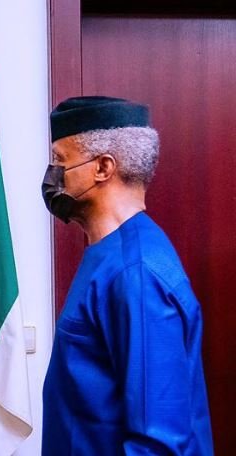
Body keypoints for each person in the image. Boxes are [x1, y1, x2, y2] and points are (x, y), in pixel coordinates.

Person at [41, 96, 213, 455]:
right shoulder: (109, 256)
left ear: (103, 167)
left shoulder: (136, 275)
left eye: (61, 160)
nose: (52, 174)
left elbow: (159, 443)